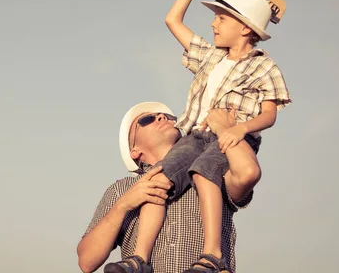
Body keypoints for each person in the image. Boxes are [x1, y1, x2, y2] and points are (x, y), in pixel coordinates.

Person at [107, 0, 291, 273]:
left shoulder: (263, 66)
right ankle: (139, 258)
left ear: (244, 27)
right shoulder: (211, 56)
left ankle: (212, 255)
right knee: (155, 179)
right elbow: (172, 20)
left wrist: (239, 130)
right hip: (195, 135)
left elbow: (269, 114)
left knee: (206, 175)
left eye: (221, 18)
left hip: (228, 136)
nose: (213, 24)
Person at [77, 102, 249, 273]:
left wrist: (228, 130)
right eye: (147, 119)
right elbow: (87, 262)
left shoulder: (209, 172)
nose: (163, 117)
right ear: (134, 151)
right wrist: (123, 205)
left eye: (168, 116)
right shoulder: (121, 190)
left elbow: (246, 174)